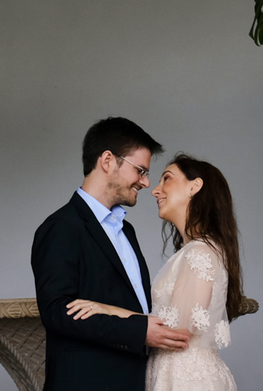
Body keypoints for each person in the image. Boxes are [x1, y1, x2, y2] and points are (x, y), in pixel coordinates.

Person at [32, 118, 192, 391]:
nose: (145, 182)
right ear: (107, 161)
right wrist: (139, 331)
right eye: (140, 170)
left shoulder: (126, 230)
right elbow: (56, 312)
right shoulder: (61, 227)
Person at [65, 154, 243, 391]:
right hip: (172, 374)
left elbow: (177, 332)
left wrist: (108, 310)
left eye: (166, 179)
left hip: (187, 380)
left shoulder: (200, 252)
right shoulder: (191, 251)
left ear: (195, 186)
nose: (155, 190)